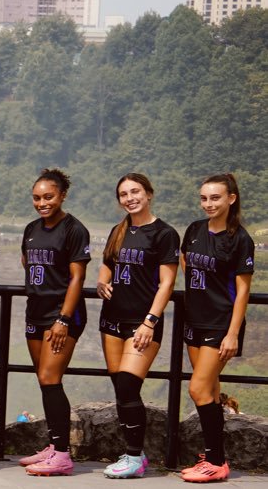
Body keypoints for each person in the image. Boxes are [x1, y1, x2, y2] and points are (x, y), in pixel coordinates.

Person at [96, 173, 178, 479]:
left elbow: (167, 283)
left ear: (149, 194)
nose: (130, 198)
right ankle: (132, 452)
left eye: (135, 192)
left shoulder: (164, 233)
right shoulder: (120, 229)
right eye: (124, 194)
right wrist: (102, 280)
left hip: (142, 322)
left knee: (130, 385)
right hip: (111, 319)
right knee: (121, 388)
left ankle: (134, 457)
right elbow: (107, 263)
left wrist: (150, 321)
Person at [178, 174, 254, 483]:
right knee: (207, 391)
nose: (209, 204)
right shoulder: (195, 229)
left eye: (215, 198)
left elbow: (243, 291)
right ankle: (213, 458)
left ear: (231, 199)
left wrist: (233, 333)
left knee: (197, 387)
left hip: (220, 324)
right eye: (204, 198)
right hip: (194, 320)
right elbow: (186, 261)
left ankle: (217, 461)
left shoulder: (240, 239)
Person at [17, 169, 90, 476]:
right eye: (37, 198)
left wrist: (63, 318)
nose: (42, 203)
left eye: (49, 197)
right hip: (35, 311)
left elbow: (77, 277)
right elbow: (26, 261)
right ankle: (54, 444)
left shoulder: (74, 229)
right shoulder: (32, 228)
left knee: (50, 378)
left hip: (62, 314)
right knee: (44, 381)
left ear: (62, 196)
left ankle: (62, 454)